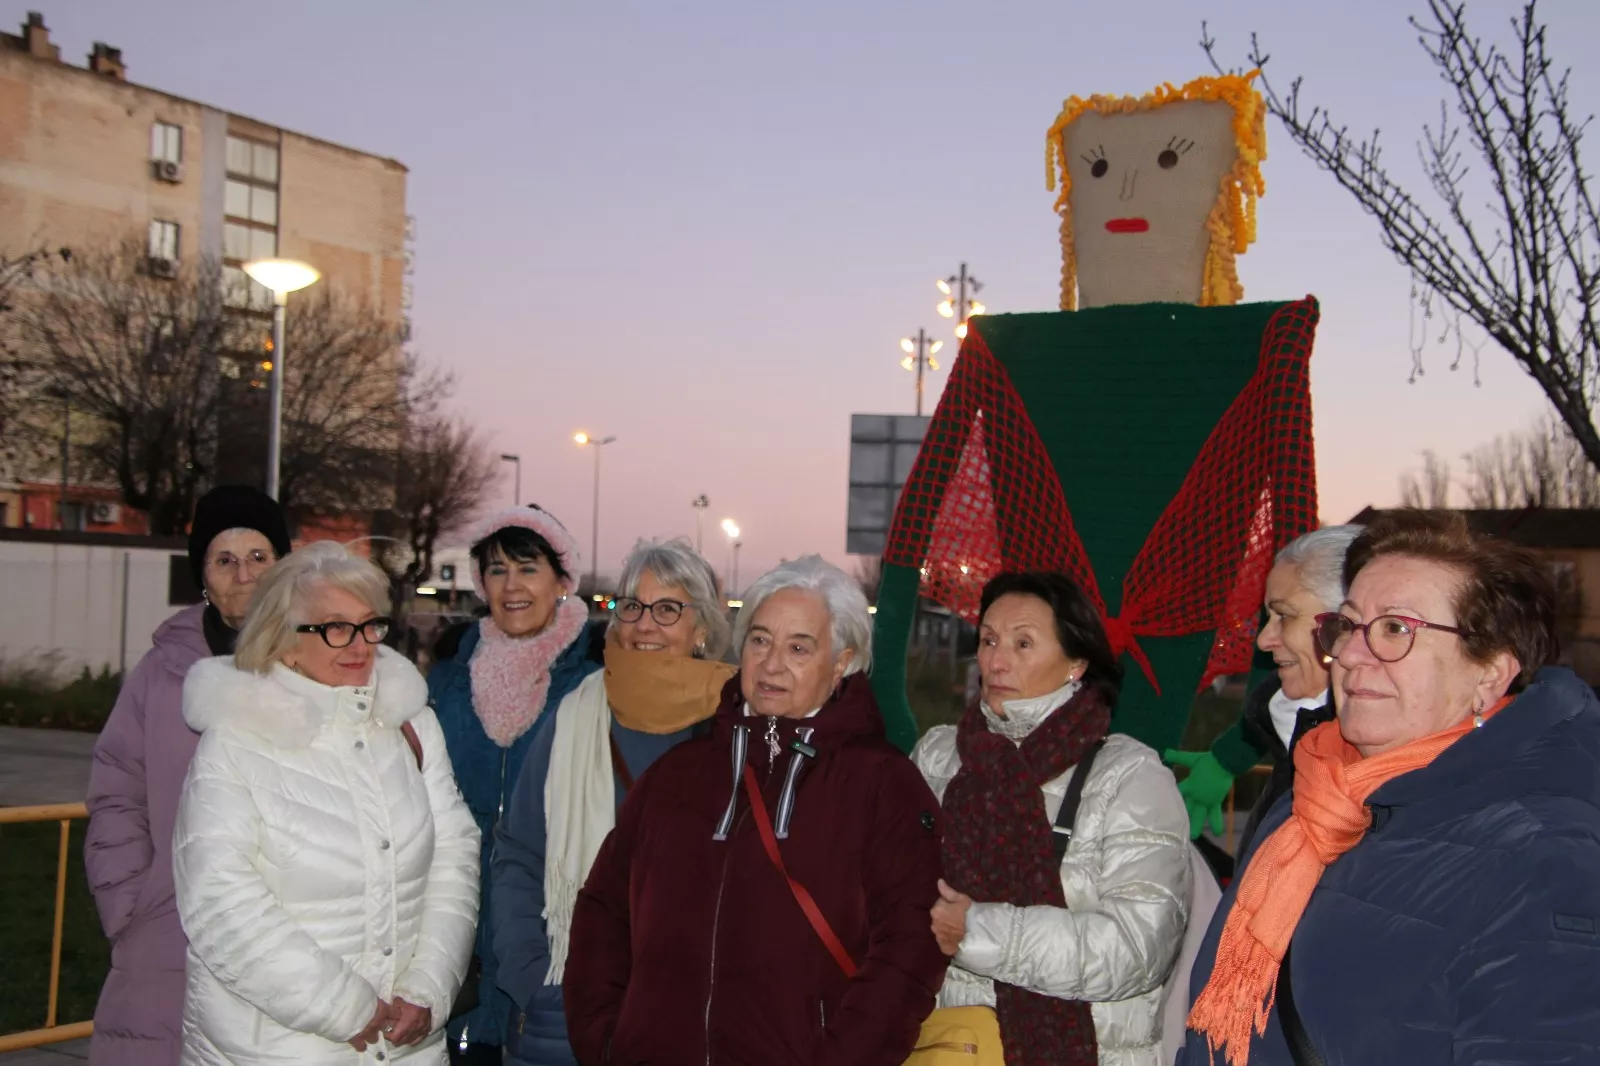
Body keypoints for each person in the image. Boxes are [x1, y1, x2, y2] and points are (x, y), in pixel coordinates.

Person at [1183, 509, 1600, 1065]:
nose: (1351, 655)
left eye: (1396, 629)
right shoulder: (1307, 801)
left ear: (1489, 674)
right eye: (1348, 625)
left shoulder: (1545, 854)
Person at [564, 556, 949, 1064]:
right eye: (760, 640)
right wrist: (608, 1042)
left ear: (841, 663)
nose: (771, 664)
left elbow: (909, 950)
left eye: (799, 648)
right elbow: (602, 915)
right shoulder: (677, 776)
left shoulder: (883, 785)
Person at [172, 540, 480, 1063]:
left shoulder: (410, 724)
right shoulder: (236, 742)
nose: (361, 645)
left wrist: (428, 986)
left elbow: (454, 856)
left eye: (370, 625)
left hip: (406, 1045)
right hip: (276, 1048)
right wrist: (345, 1007)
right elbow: (220, 903)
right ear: (284, 640)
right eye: (336, 628)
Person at [913, 571, 1192, 1066]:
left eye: (1023, 644)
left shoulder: (1130, 776)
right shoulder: (938, 757)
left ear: (1076, 663)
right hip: (948, 1046)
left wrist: (978, 931)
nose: (997, 661)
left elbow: (1139, 947)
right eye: (989, 640)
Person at [491, 537, 735, 1065]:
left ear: (703, 631)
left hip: (698, 1015)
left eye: (668, 609)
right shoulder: (574, 717)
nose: (645, 624)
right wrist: (531, 972)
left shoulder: (737, 728)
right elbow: (519, 854)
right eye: (632, 607)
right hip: (570, 1005)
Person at [83, 485, 291, 1066]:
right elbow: (116, 786)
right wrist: (128, 898)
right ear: (203, 574)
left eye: (258, 557)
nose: (244, 574)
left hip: (290, 929)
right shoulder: (161, 671)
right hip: (169, 928)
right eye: (225, 560)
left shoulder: (316, 660)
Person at [426, 505, 600, 1063]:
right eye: (497, 570)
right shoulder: (447, 680)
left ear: (561, 579)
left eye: (528, 567)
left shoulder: (594, 684)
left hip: (550, 944)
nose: (512, 585)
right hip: (455, 940)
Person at [1163, 526, 1362, 857]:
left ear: (1345, 623)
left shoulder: (1379, 755)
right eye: (1268, 617)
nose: (1264, 640)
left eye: (1283, 616)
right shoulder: (1288, 726)